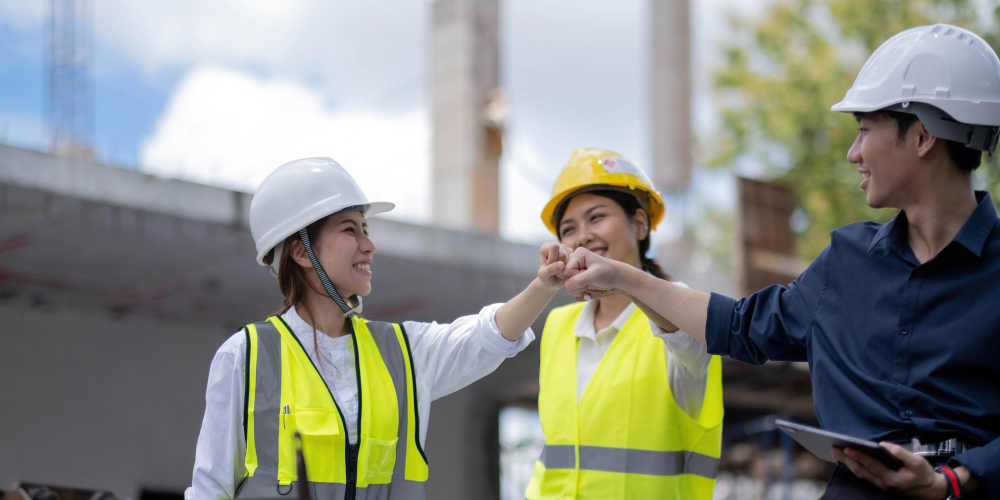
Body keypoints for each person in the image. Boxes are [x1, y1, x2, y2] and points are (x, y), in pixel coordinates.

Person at [559, 24, 1000, 499]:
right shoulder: (845, 262)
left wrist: (950, 481)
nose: (854, 153)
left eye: (864, 130)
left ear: (922, 136)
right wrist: (626, 278)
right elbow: (741, 327)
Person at [186, 157, 566, 499]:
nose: (369, 244)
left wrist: (543, 285)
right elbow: (210, 490)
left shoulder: (401, 352)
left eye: (365, 228)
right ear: (301, 252)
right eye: (350, 230)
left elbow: (487, 337)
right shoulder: (245, 357)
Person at [524, 149, 724, 499]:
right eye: (568, 229)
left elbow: (688, 334)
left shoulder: (679, 309)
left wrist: (626, 280)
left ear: (640, 223)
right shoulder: (558, 325)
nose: (582, 236)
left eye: (596, 217)